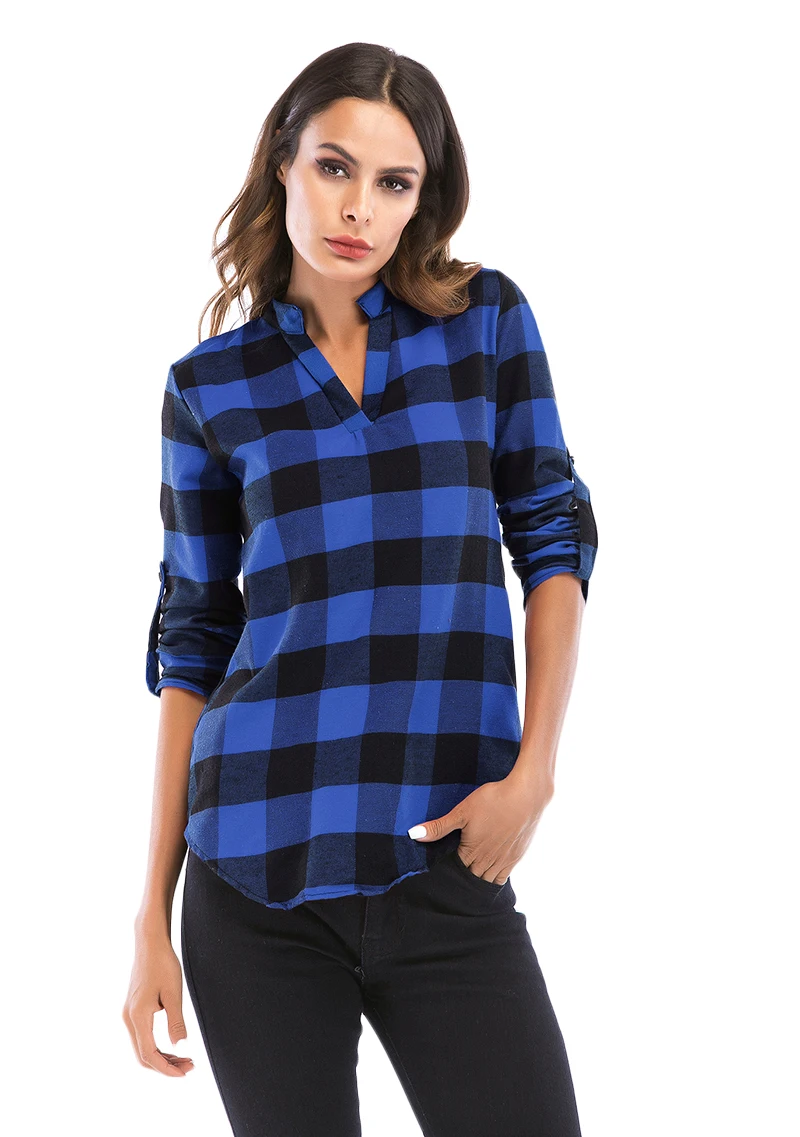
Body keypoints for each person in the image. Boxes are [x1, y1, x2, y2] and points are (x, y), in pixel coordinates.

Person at [122, 41, 598, 1137]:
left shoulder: (484, 324)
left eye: (394, 182)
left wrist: (533, 771)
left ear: (422, 198)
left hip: (444, 858)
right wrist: (151, 912)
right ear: (282, 164)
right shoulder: (209, 390)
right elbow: (195, 638)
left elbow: (551, 535)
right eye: (334, 167)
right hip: (253, 874)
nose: (358, 209)